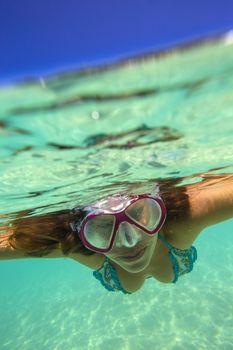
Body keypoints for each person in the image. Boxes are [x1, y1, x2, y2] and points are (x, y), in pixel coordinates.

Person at [0, 170, 233, 294]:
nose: (129, 242)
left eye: (138, 214)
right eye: (101, 226)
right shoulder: (76, 245)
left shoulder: (183, 216)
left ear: (159, 207)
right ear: (81, 232)